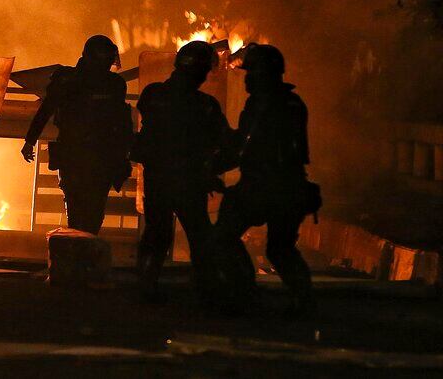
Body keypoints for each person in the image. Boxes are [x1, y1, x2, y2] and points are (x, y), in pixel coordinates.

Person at [212, 44, 320, 314]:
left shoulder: (264, 103)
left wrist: (215, 163)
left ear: (263, 73)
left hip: (264, 184)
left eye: (251, 72)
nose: (247, 78)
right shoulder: (293, 102)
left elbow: (247, 146)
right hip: (291, 185)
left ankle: (246, 295)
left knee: (224, 235)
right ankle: (304, 301)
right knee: (280, 248)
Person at [133, 40, 227, 302]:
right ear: (200, 71)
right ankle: (207, 291)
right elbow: (223, 141)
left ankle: (146, 284)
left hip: (158, 177)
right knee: (199, 235)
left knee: (156, 233)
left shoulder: (153, 94)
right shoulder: (205, 105)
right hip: (190, 180)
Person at [20, 35, 133, 234]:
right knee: (90, 212)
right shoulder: (113, 84)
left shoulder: (68, 79)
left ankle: (78, 255)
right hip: (95, 157)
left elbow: (46, 110)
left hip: (80, 155)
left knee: (79, 210)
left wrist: (30, 141)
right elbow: (122, 124)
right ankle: (83, 256)